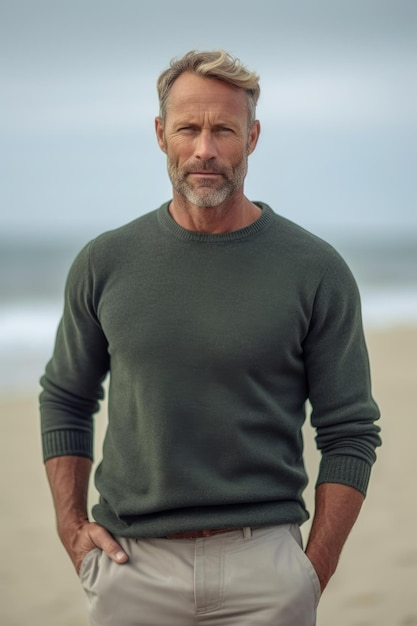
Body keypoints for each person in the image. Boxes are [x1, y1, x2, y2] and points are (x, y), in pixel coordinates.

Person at [40, 49, 381, 626]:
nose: (205, 149)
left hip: (265, 569)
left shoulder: (315, 269)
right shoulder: (105, 262)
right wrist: (71, 529)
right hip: (132, 567)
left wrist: (311, 571)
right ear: (159, 133)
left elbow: (350, 431)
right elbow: (66, 397)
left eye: (223, 129)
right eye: (188, 129)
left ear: (252, 137)